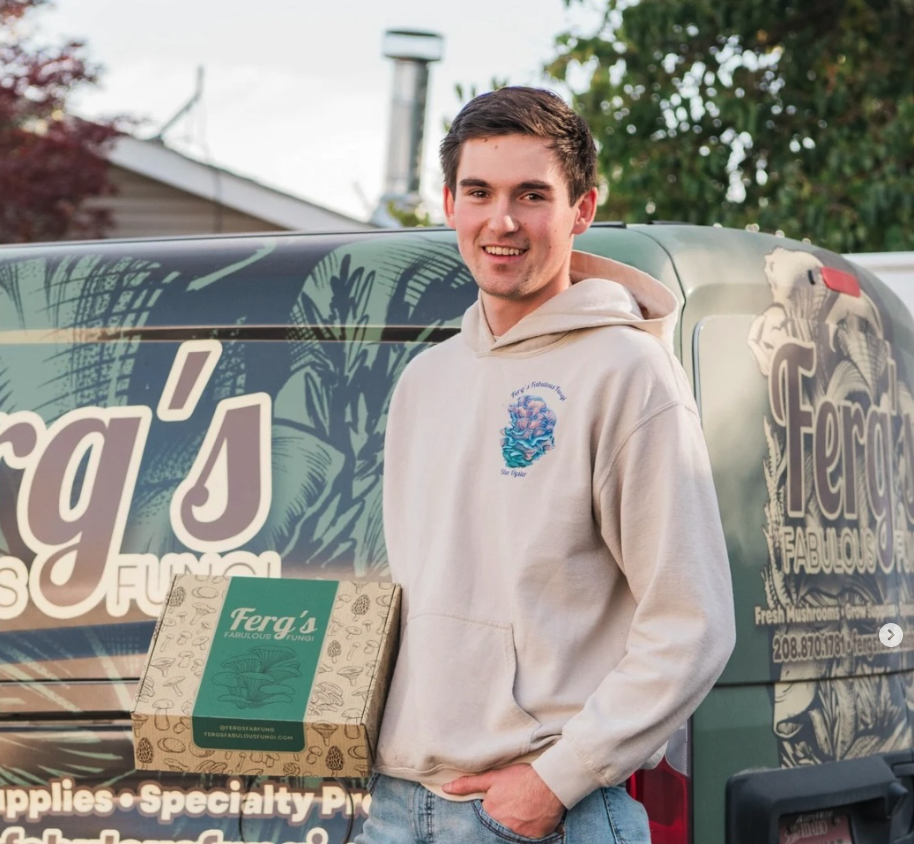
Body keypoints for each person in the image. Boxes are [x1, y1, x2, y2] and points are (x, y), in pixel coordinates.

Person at [359, 86, 736, 844]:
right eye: (480, 193)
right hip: (399, 807)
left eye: (532, 195)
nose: (502, 221)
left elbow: (692, 623)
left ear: (582, 209)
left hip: (543, 815)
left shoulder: (627, 371)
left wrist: (552, 784)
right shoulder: (425, 382)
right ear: (449, 204)